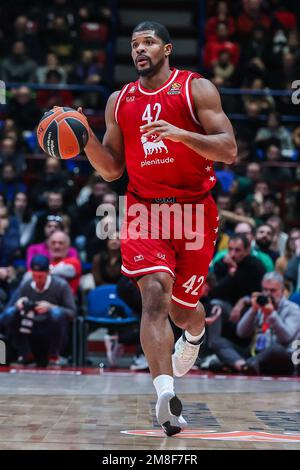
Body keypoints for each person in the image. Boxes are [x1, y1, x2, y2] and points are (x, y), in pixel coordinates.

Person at [77, 21, 237, 435]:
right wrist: (85, 139)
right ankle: (166, 397)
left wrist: (181, 135)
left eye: (148, 42)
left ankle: (197, 331)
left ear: (167, 49)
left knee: (183, 309)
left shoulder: (195, 88)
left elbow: (229, 149)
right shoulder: (120, 100)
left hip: (194, 211)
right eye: (133, 44)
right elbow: (112, 169)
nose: (139, 50)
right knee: (153, 295)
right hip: (144, 211)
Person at [0, 255, 76, 366]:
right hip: (28, 325)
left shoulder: (61, 285)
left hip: (50, 325)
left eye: (41, 276)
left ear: (48, 272)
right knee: (11, 314)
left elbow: (72, 313)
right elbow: (5, 315)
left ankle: (54, 355)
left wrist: (51, 307)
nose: (37, 280)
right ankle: (25, 353)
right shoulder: (26, 284)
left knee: (56, 314)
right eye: (35, 276)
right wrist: (18, 305)